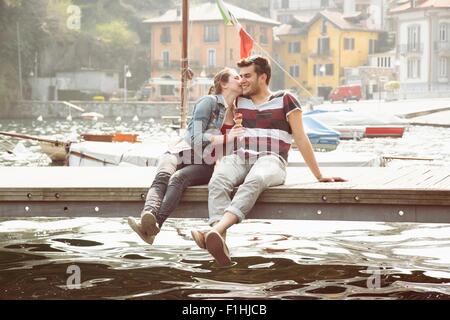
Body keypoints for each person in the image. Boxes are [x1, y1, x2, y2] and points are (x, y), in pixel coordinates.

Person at [191, 55, 347, 266]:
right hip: (240, 157)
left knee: (255, 180)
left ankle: (216, 230)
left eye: (247, 76)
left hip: (272, 159)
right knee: (218, 179)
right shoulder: (239, 100)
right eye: (240, 76)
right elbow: (220, 123)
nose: (242, 80)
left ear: (262, 77)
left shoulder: (286, 99)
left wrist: (319, 175)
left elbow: (301, 138)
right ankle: (219, 242)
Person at [128, 68, 244, 244]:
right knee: (162, 176)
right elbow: (194, 138)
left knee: (178, 178)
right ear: (224, 83)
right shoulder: (208, 102)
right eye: (237, 77)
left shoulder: (239, 115)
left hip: (205, 163)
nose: (241, 80)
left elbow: (230, 151)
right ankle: (148, 215)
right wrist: (226, 138)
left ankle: (150, 229)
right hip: (181, 150)